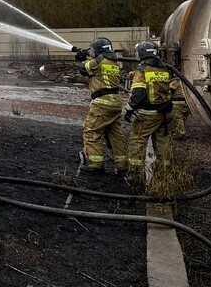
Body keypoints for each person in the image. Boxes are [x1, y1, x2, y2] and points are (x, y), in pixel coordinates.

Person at [74, 37, 127, 174]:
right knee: (116, 135)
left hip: (102, 103)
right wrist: (87, 58)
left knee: (91, 131)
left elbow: (84, 69)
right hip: (116, 103)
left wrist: (79, 60)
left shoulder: (98, 62)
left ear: (98, 50)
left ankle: (95, 164)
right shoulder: (113, 62)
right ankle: (122, 166)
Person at [125, 41, 174, 183]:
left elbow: (138, 93)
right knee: (163, 142)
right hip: (165, 112)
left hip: (148, 114)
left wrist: (129, 109)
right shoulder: (164, 68)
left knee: (137, 140)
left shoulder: (142, 70)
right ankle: (165, 174)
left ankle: (134, 175)